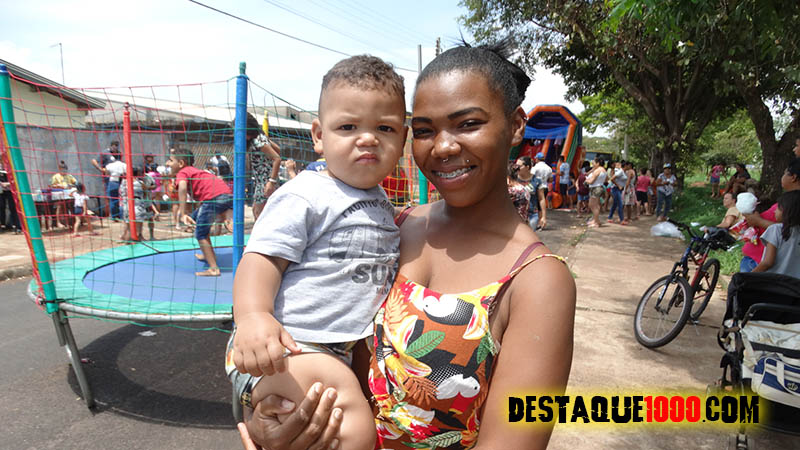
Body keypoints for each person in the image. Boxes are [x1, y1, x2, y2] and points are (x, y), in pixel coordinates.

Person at [239, 42, 576, 450]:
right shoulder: (390, 226)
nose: (443, 146)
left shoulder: (538, 280)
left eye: (468, 123)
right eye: (425, 130)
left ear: (516, 125)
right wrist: (267, 418)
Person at [229, 55, 407, 450]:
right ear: (318, 135)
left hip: (335, 349)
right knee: (353, 428)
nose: (368, 138)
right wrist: (254, 316)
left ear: (403, 139)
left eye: (385, 128)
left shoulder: (379, 200)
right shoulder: (305, 194)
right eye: (348, 127)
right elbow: (261, 260)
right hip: (288, 345)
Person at [171, 148, 233, 276]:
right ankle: (208, 253)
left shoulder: (182, 172)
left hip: (213, 198)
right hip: (226, 194)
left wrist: (183, 213)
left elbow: (182, 188)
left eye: (171, 160)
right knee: (197, 220)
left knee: (201, 234)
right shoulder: (196, 171)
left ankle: (214, 269)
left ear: (181, 163)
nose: (168, 163)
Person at [738, 157, 800, 272]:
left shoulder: (792, 206)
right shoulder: (788, 199)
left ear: (793, 177)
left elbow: (768, 262)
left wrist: (759, 221)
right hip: (757, 261)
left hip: (761, 266)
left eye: (785, 173)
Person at [752, 190, 800, 278]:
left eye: (778, 208)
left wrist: (749, 276)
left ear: (787, 210)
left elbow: (768, 263)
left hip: (774, 282)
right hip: (795, 284)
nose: (774, 211)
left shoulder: (775, 229)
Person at [244, 114, 282, 220]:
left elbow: (277, 158)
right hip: (263, 180)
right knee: (260, 211)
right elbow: (278, 149)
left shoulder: (258, 141)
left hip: (264, 180)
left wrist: (271, 181)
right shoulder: (261, 138)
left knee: (258, 213)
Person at [516, 156, 547, 230]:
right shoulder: (513, 179)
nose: (516, 168)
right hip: (515, 215)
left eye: (519, 166)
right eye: (516, 165)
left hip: (532, 215)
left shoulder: (536, 181)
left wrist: (543, 216)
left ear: (527, 167)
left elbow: (541, 199)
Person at [91, 140, 119, 217]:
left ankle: (117, 214)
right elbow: (94, 161)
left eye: (117, 146)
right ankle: (110, 214)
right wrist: (100, 169)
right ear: (111, 146)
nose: (115, 148)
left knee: (117, 196)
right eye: (114, 146)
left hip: (117, 178)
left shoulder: (118, 154)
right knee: (109, 195)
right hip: (108, 178)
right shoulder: (105, 153)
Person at [49, 160, 78, 228]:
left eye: (65, 170)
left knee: (72, 205)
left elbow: (76, 183)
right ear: (59, 169)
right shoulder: (56, 176)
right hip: (59, 194)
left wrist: (71, 185)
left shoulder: (69, 176)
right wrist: (58, 186)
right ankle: (58, 222)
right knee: (59, 206)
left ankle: (72, 221)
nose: (64, 172)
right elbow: (51, 185)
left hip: (69, 194)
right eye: (63, 170)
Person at [585, 157, 607, 228]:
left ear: (598, 163)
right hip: (599, 187)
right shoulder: (603, 170)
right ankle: (595, 220)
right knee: (596, 205)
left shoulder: (598, 170)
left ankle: (596, 222)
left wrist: (587, 180)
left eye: (593, 163)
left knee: (592, 205)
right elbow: (606, 180)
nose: (592, 164)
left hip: (595, 188)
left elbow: (591, 181)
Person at [103, 150, 125, 220]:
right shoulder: (124, 165)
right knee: (122, 200)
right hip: (121, 182)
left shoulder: (109, 165)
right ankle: (121, 216)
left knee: (113, 200)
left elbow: (106, 174)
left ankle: (114, 216)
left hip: (112, 182)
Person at [607, 160, 627, 224]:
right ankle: (622, 220)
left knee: (615, 204)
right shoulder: (620, 171)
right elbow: (612, 179)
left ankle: (610, 217)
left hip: (618, 189)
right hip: (616, 189)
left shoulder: (620, 171)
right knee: (620, 204)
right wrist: (618, 186)